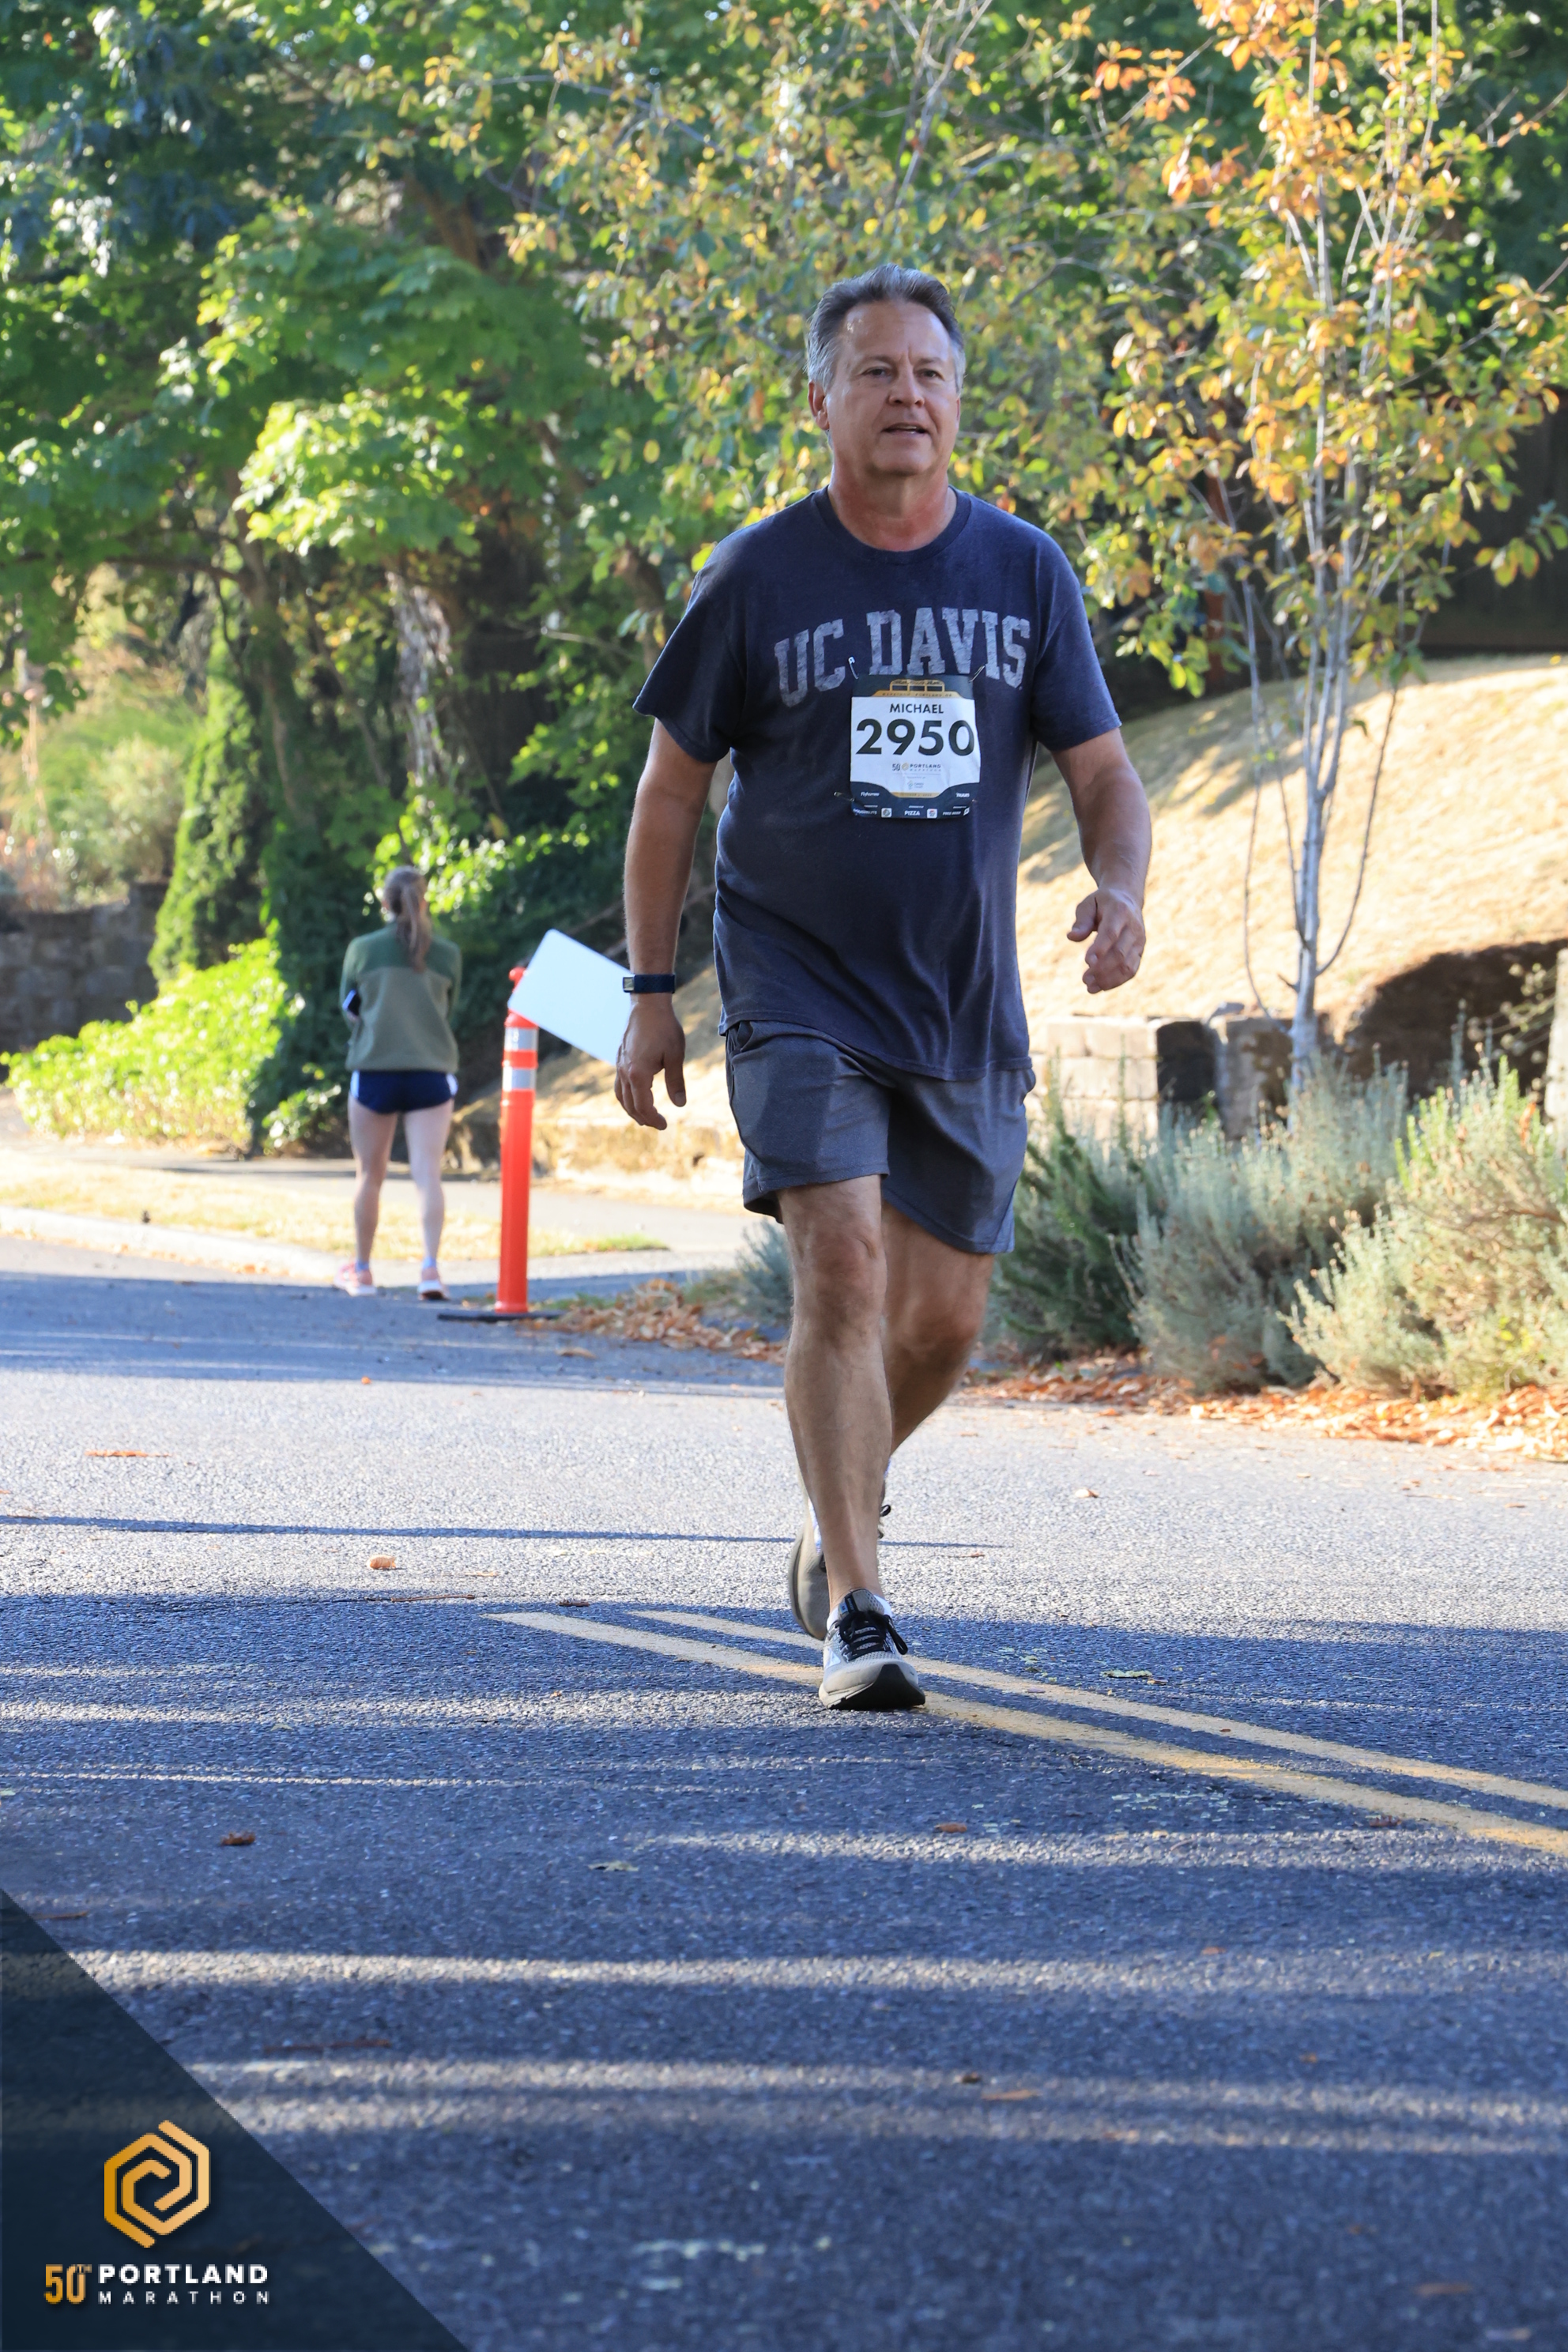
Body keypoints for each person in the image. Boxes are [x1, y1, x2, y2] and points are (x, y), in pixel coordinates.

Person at [615, 263, 1152, 1709]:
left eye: (928, 373)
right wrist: (652, 988)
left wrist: (1121, 888)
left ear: (957, 401)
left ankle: (835, 1499)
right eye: (876, 372)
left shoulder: (1023, 572)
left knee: (944, 1323)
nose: (906, 394)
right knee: (841, 1265)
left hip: (961, 996)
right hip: (795, 981)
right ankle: (858, 1606)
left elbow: (1104, 772)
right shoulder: (756, 576)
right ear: (821, 401)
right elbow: (670, 794)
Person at [335, 865, 463, 1302]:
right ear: (424, 900)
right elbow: (449, 1010)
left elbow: (350, 1009)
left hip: (376, 1069)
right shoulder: (446, 954)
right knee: (428, 1173)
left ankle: (362, 1271)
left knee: (370, 1175)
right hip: (431, 1070)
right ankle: (430, 1271)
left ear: (384, 903)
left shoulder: (361, 950)